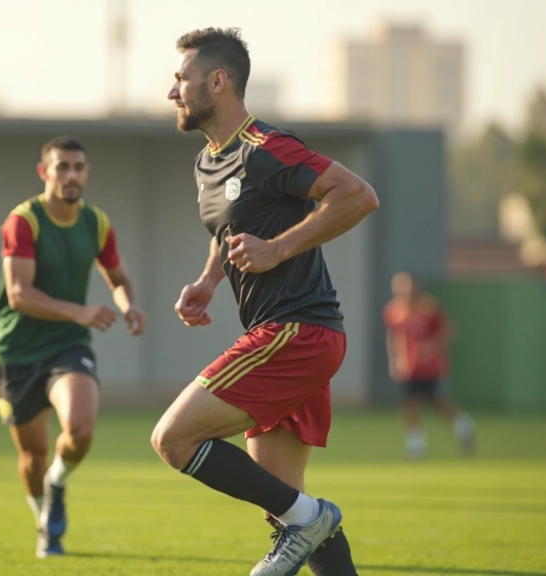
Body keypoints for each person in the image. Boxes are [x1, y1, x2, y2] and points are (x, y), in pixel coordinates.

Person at [151, 28, 379, 576]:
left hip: (296, 332)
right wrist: (209, 280)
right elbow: (229, 231)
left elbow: (358, 195)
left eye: (181, 78)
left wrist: (277, 249)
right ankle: (309, 521)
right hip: (289, 337)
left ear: (218, 81)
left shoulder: (265, 147)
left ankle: (310, 516)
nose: (171, 92)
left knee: (173, 438)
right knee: (283, 508)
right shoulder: (208, 162)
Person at [0, 136, 146, 558]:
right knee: (33, 455)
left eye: (79, 167)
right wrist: (78, 311)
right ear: (45, 172)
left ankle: (57, 485)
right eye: (62, 167)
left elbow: (118, 278)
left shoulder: (96, 222)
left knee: (80, 430)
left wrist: (129, 306)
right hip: (16, 352)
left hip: (67, 347)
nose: (71, 175)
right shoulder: (24, 221)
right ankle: (45, 522)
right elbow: (19, 293)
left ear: (87, 173)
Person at [383, 271, 475, 459]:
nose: (403, 290)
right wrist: (394, 360)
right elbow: (393, 337)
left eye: (407, 285)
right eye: (399, 286)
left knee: (440, 403)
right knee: (410, 405)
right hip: (409, 367)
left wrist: (432, 346)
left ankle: (464, 426)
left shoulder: (429, 307)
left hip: (432, 367)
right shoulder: (394, 310)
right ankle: (416, 447)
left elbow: (448, 329)